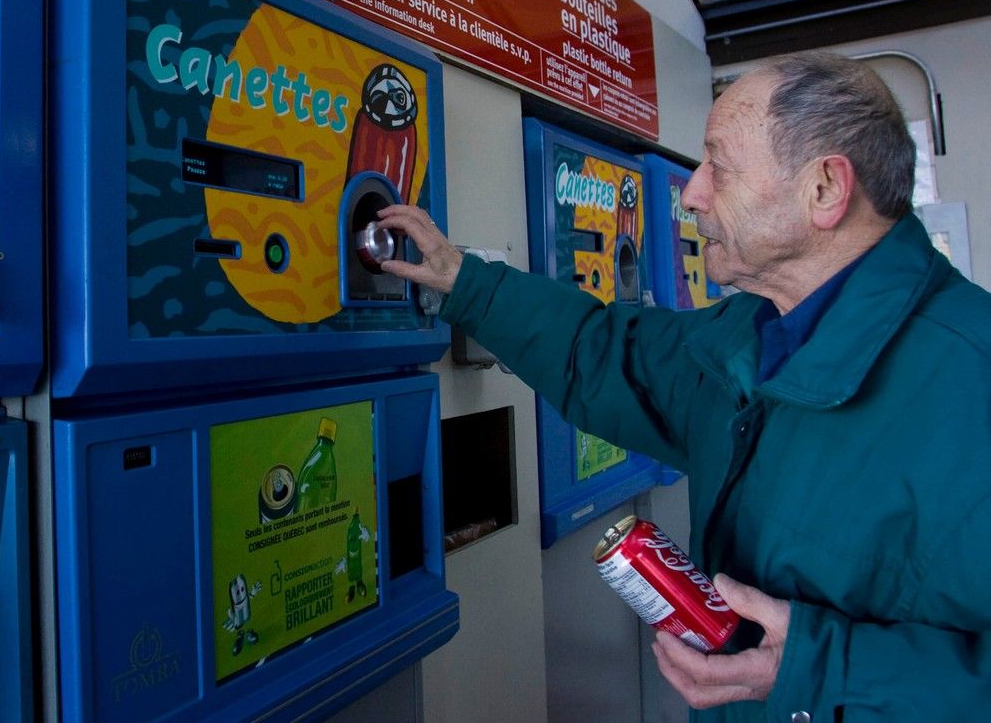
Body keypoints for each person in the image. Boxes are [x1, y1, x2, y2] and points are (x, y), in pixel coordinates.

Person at [377, 52, 991, 721]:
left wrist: (817, 668)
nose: (693, 193)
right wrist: (465, 281)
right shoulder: (750, 334)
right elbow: (607, 354)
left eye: (718, 167)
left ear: (824, 190)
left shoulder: (971, 380)